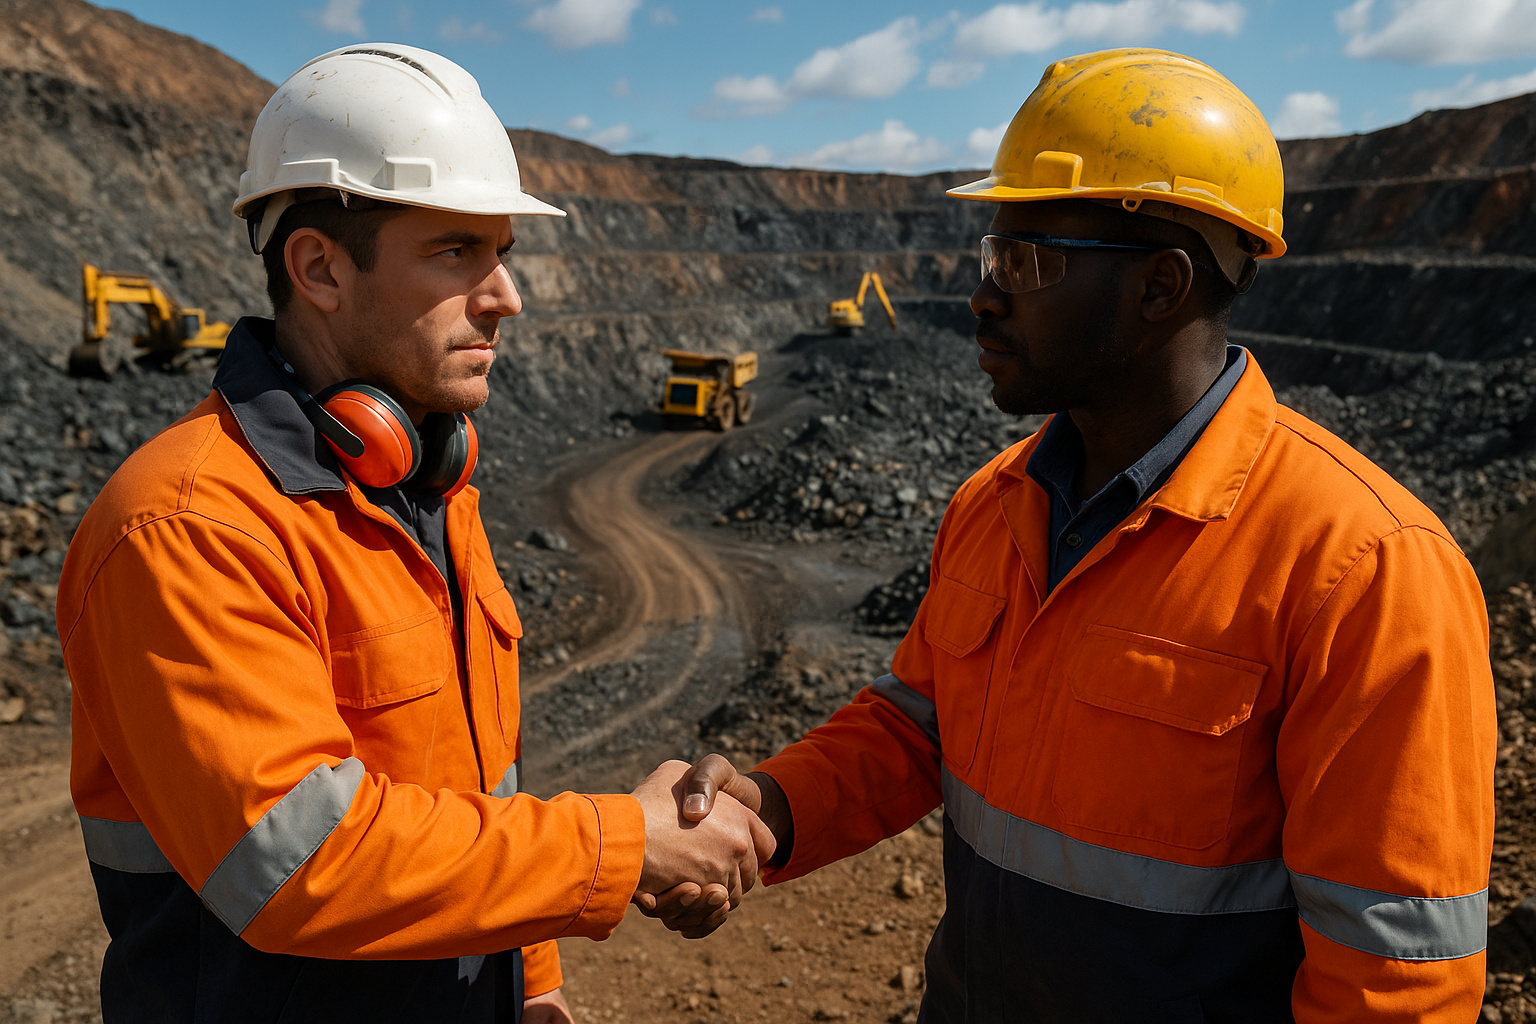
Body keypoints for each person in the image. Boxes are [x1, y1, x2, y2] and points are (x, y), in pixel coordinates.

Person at [656, 48, 1497, 1021]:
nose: (984, 295)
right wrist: (770, 808)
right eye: (992, 256)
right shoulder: (993, 501)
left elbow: (1395, 979)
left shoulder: (1364, 568)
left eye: (1026, 262)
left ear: (1160, 287)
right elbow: (920, 723)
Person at [57, 44, 771, 1024]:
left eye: (501, 253)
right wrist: (624, 842)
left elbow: (482, 788)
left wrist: (532, 982)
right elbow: (298, 863)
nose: (505, 295)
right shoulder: (186, 526)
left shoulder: (428, 489)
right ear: (319, 268)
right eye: (455, 252)